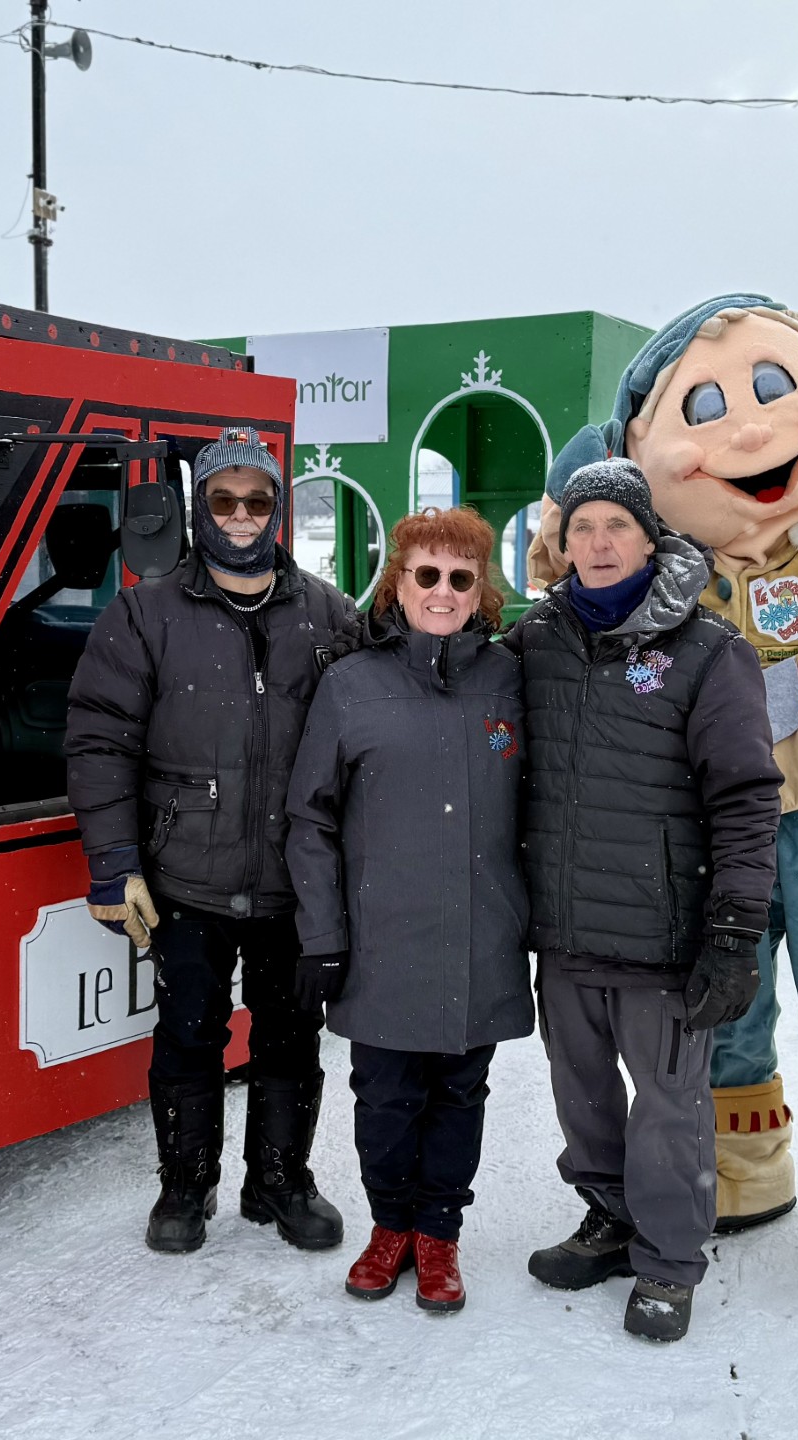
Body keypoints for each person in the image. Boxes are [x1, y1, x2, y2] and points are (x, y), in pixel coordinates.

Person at [66, 426, 356, 1256]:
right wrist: (115, 863)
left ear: (277, 509)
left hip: (293, 881)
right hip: (184, 880)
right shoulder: (145, 613)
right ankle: (184, 1189)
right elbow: (99, 741)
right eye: (223, 499)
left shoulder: (327, 614)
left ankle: (280, 1183)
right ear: (201, 508)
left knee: (291, 1038)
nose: (240, 515)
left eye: (256, 499)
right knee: (189, 1035)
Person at [510, 459, 782, 1343]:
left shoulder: (710, 651)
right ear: (561, 544)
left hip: (664, 935)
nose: (596, 544)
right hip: (565, 929)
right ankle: (609, 1219)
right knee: (580, 1094)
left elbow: (745, 796)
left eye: (615, 527)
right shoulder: (536, 640)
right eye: (580, 529)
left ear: (648, 538)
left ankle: (668, 1260)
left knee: (668, 1110)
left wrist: (735, 929)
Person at [284, 506, 530, 1314]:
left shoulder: (509, 679)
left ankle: (439, 1239)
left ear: (481, 588)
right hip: (381, 943)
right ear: (399, 580)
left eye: (461, 577)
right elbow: (310, 817)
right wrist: (323, 934)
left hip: (479, 938)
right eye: (427, 573)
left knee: (460, 1097)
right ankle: (390, 1226)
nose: (444, 590)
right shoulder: (352, 685)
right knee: (385, 1100)